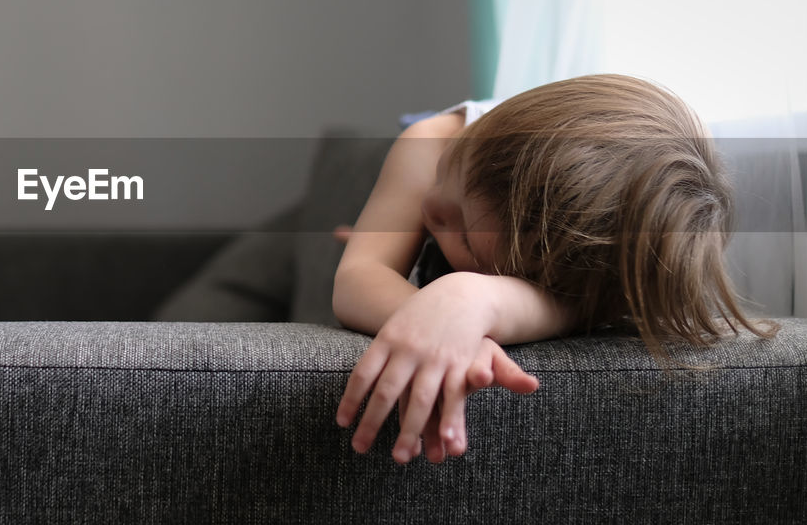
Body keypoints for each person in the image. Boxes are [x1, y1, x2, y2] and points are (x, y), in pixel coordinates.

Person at [331, 74, 776, 465]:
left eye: (463, 235)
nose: (431, 206)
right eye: (451, 169)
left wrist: (475, 300)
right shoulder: (436, 140)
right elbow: (358, 279)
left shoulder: (588, 266)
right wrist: (443, 308)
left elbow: (584, 307)